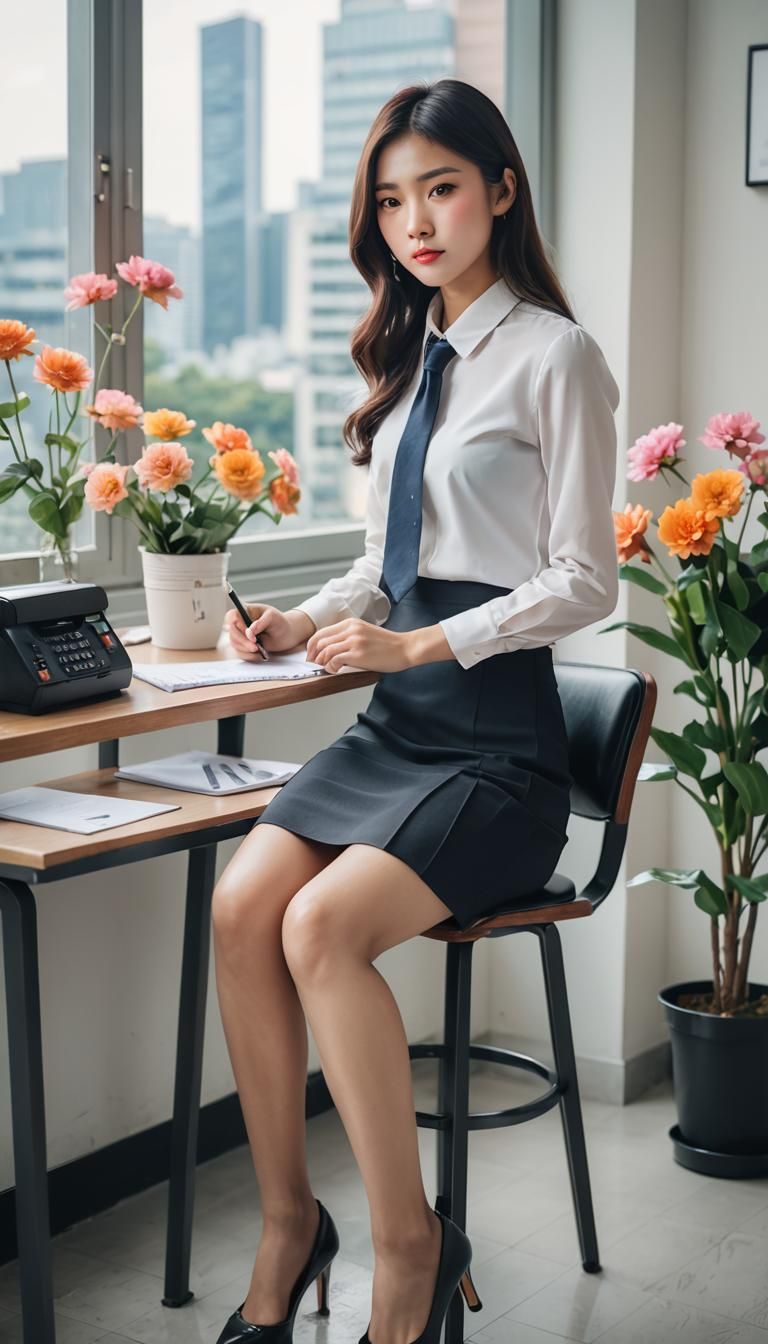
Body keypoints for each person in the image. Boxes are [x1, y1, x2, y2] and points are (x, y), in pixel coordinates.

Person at [213, 77, 619, 1344]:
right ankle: (293, 1226)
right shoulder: (414, 356)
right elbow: (394, 558)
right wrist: (299, 621)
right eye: (391, 201)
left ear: (500, 188)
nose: (416, 223)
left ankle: (410, 1250)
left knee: (323, 928)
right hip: (401, 728)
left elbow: (585, 581)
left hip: (500, 744)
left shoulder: (556, 355)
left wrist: (421, 640)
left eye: (439, 188)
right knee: (241, 909)